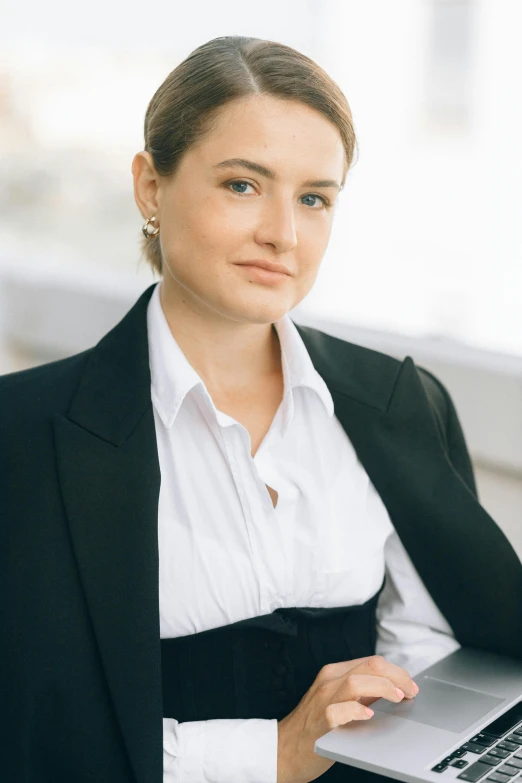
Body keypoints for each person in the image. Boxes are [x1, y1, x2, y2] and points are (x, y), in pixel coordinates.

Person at [2, 35, 522, 783]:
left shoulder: (402, 403)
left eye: (314, 197)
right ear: (151, 186)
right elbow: (27, 727)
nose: (284, 233)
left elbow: (444, 656)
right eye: (243, 185)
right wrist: (272, 755)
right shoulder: (20, 436)